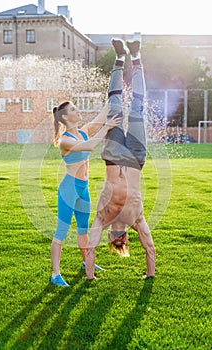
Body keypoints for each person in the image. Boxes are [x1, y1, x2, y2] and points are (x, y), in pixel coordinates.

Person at [85, 33, 156, 280]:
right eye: (119, 240)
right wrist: (149, 274)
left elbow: (90, 246)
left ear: (109, 236)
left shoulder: (103, 217)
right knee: (137, 107)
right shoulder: (137, 220)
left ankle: (119, 58)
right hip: (136, 158)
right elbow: (150, 247)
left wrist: (90, 276)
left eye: (114, 240)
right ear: (124, 237)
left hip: (114, 156)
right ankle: (135, 57)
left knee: (114, 107)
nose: (116, 237)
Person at [51, 99, 121, 286]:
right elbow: (90, 146)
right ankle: (55, 274)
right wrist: (106, 128)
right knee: (61, 232)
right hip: (69, 189)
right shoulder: (65, 140)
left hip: (83, 188)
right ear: (66, 116)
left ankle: (86, 262)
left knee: (83, 229)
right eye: (74, 109)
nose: (78, 110)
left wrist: (114, 95)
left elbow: (102, 115)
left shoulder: (83, 131)